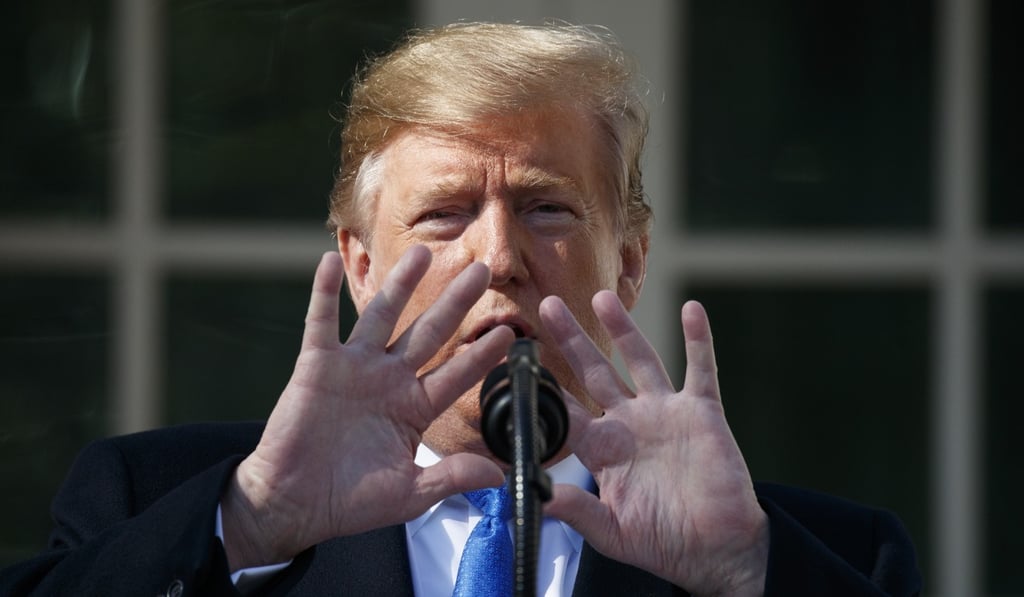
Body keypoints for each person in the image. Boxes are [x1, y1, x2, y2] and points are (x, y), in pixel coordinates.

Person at [0, 22, 921, 596]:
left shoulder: (825, 554)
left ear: (630, 258)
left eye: (547, 207)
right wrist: (247, 521)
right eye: (443, 215)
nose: (499, 258)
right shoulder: (160, 501)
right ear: (360, 265)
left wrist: (747, 575)